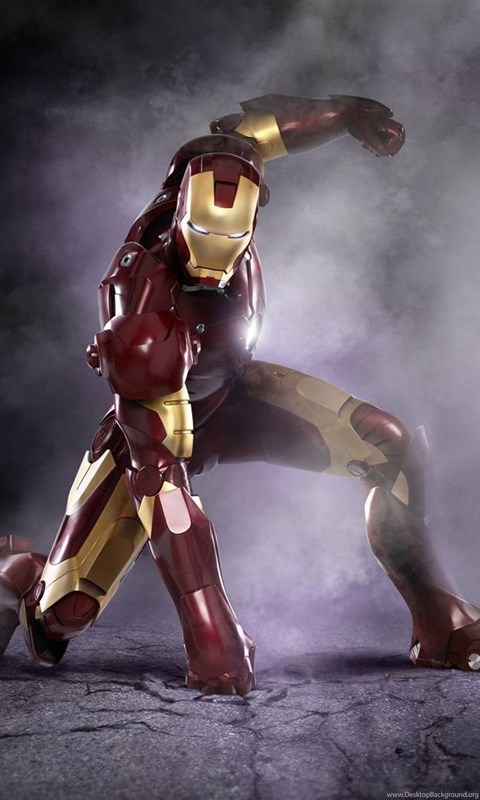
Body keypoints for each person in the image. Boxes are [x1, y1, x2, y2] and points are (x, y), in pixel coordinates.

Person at [2, 94, 479, 696]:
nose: (216, 259)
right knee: (63, 616)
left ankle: (438, 618)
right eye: (203, 232)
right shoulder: (139, 297)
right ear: (181, 214)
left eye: (235, 234)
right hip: (150, 433)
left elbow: (255, 134)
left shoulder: (222, 172)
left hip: (233, 395)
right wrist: (213, 631)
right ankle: (17, 572)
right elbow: (161, 480)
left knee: (388, 445)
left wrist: (347, 116)